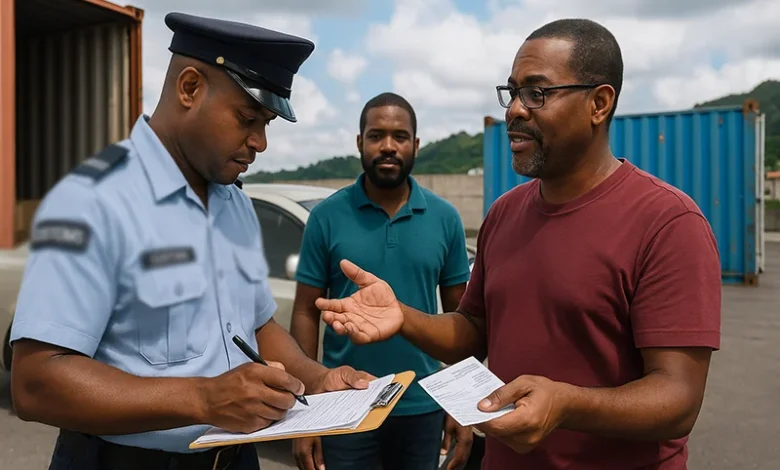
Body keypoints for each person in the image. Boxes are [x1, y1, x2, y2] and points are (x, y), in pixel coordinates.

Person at [311, 18, 722, 470]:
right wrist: (403, 316)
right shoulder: (505, 213)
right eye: (512, 92)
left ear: (599, 104)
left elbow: (679, 398)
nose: (515, 111)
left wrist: (565, 404)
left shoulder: (667, 222)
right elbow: (473, 331)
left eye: (537, 93)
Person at [8, 12, 372, 470]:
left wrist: (317, 380)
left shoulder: (234, 203)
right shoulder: (92, 201)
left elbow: (257, 327)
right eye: (247, 118)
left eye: (267, 125)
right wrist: (203, 399)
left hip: (237, 458)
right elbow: (36, 381)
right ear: (190, 88)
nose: (259, 142)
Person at [289, 92, 475, 470]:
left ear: (416, 145)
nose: (388, 146)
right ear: (360, 143)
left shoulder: (445, 218)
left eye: (399, 137)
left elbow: (462, 317)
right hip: (345, 403)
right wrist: (305, 410)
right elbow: (306, 312)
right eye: (376, 136)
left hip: (423, 405)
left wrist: (461, 403)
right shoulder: (326, 217)